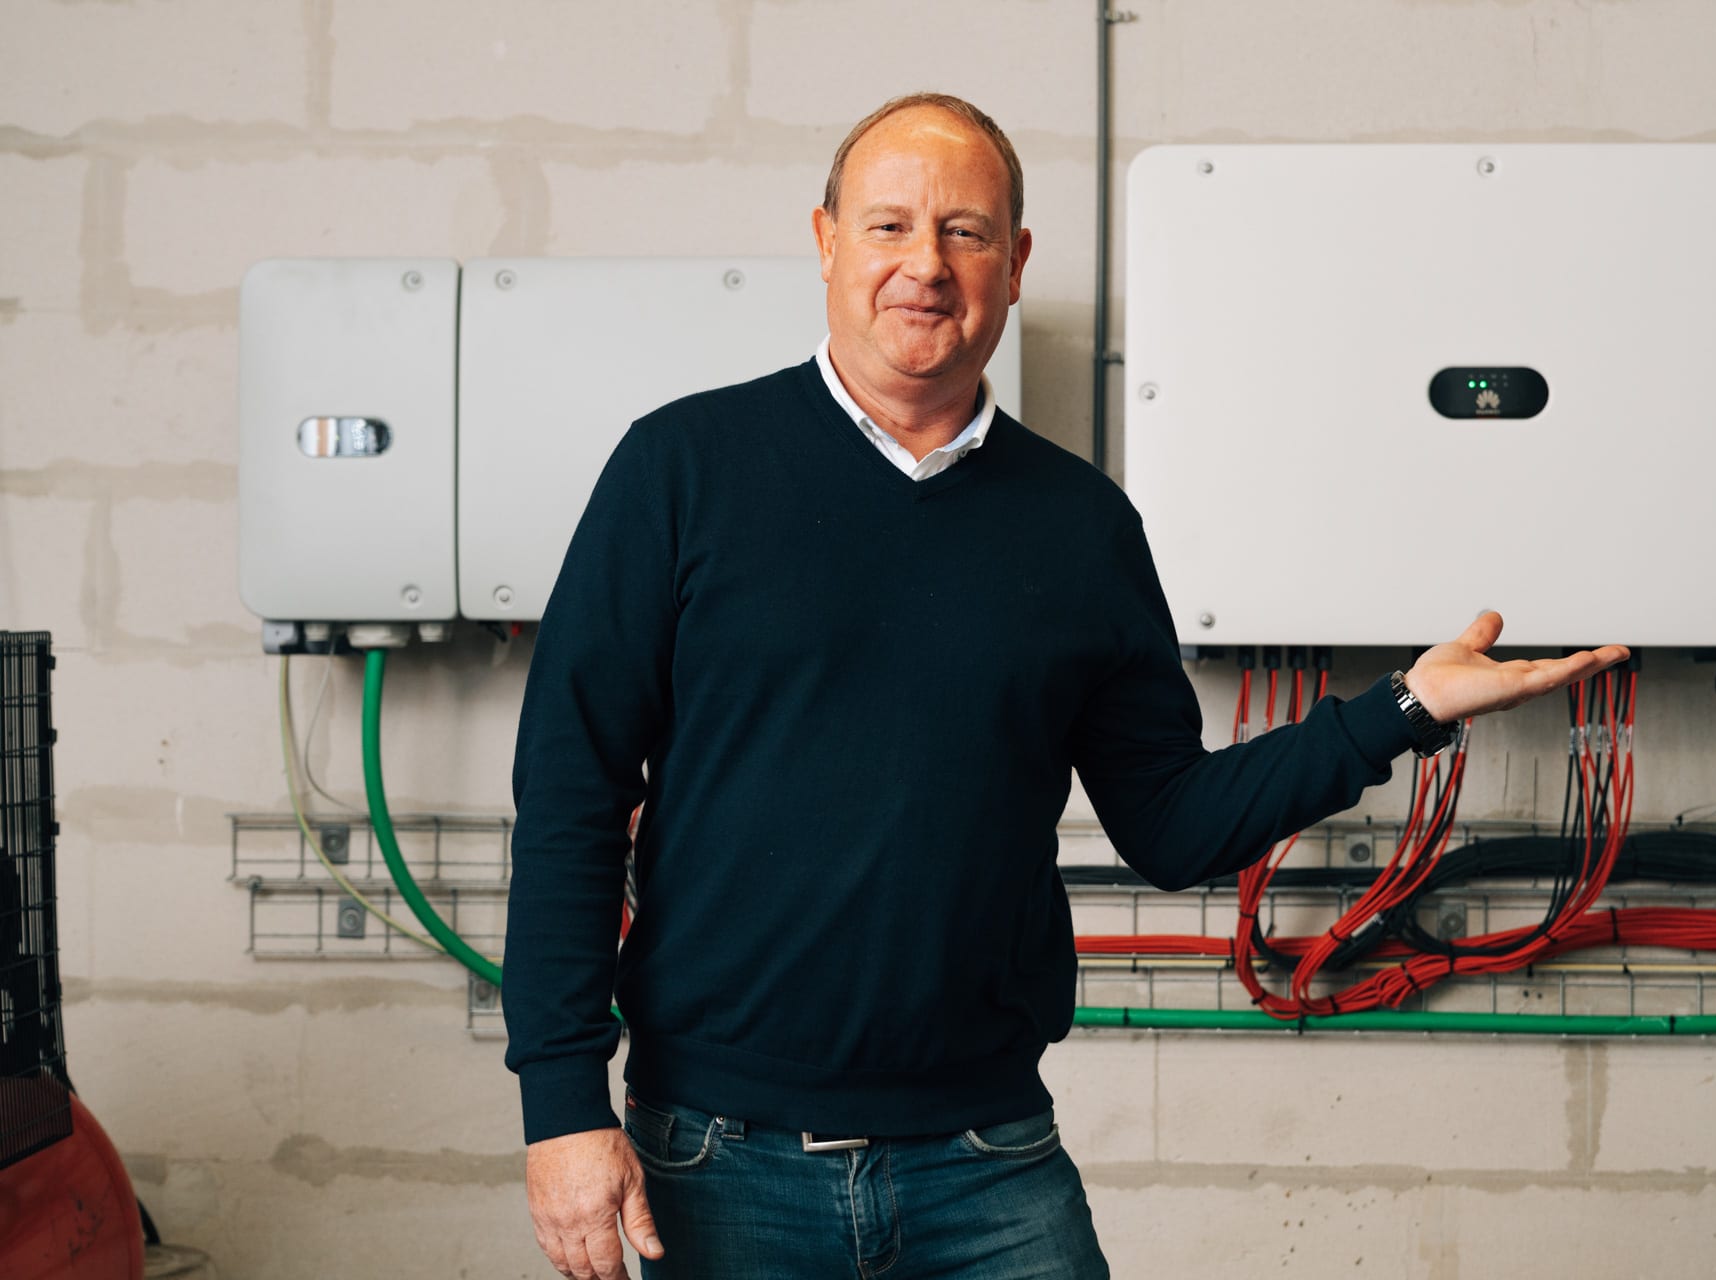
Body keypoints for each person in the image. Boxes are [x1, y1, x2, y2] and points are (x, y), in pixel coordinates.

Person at [504, 91, 1630, 1280]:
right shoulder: (680, 470)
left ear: (1017, 260)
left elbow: (1172, 822)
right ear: (826, 240)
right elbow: (573, 795)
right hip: (719, 1159)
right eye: (889, 226)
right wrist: (562, 1104)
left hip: (985, 1161)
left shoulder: (1081, 525)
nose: (926, 265)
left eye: (966, 231)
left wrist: (1402, 708)